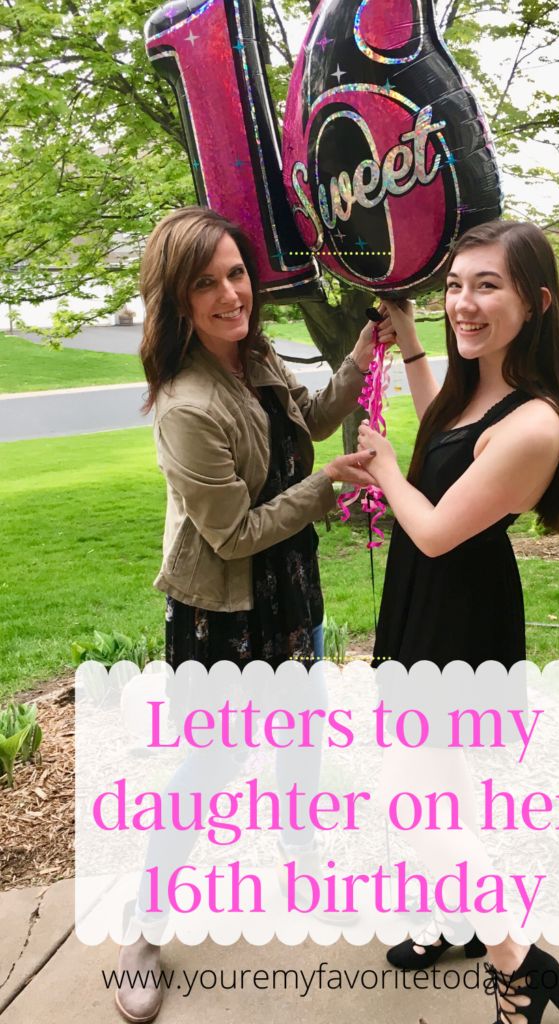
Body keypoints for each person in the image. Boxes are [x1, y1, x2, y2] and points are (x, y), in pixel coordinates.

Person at [114, 205, 391, 1023]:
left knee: (299, 737)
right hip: (223, 613)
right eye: (206, 283)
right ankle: (143, 929)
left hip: (288, 592)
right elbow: (232, 534)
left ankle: (300, 863)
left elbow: (302, 424)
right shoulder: (186, 406)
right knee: (206, 773)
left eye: (236, 273)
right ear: (176, 298)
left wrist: (364, 352)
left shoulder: (252, 353)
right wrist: (330, 483)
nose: (231, 293)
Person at [340, 220, 559, 1023]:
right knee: (438, 790)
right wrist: (410, 343)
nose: (464, 303)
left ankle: (517, 958)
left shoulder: (534, 422)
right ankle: (454, 920)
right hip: (427, 600)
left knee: (412, 793)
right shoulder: (476, 384)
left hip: (459, 613)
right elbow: (443, 441)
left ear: (536, 302)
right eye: (454, 284)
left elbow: (436, 525)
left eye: (487, 286)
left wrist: (379, 466)